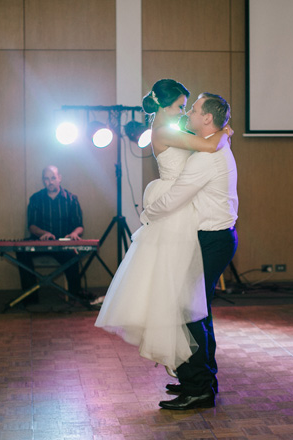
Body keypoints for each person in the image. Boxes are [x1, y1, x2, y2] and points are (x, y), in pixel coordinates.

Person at [94, 79, 231, 375]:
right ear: (165, 106)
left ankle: (194, 371)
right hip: (175, 209)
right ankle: (188, 367)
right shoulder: (165, 132)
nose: (184, 112)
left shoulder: (170, 129)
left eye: (187, 107)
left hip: (183, 207)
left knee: (185, 297)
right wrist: (224, 130)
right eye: (181, 106)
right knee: (179, 295)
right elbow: (209, 144)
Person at [140, 92, 238, 411]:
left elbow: (175, 198)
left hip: (212, 240)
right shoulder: (214, 145)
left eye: (193, 109)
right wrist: (224, 132)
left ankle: (199, 388)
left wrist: (147, 215)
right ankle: (203, 381)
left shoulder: (205, 157)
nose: (188, 114)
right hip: (215, 238)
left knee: (187, 310)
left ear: (207, 118)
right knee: (198, 310)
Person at [17, 165, 85, 304]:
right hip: (41, 243)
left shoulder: (71, 199)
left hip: (63, 244)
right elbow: (32, 226)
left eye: (53, 178)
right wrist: (43, 233)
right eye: (47, 179)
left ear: (59, 178)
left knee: (73, 257)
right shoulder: (35, 199)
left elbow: (79, 226)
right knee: (21, 251)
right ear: (43, 180)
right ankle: (30, 297)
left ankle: (74, 296)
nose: (50, 182)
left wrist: (73, 234)